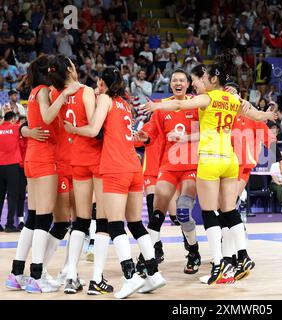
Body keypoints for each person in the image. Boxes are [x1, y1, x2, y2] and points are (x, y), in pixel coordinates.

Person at [143, 53, 277, 284]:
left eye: (204, 77)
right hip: (230, 160)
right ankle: (242, 256)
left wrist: (156, 105)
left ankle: (218, 264)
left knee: (209, 213)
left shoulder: (209, 99)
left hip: (210, 159)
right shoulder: (233, 100)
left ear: (214, 80)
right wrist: (268, 114)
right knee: (229, 210)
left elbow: (179, 103)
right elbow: (255, 115)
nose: (201, 80)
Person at [64, 66, 166, 299]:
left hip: (115, 168)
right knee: (136, 223)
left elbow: (92, 130)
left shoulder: (106, 100)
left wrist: (72, 128)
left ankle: (130, 277)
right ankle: (153, 273)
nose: (97, 87)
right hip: (133, 166)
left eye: (99, 83)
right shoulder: (125, 103)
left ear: (103, 83)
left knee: (114, 224)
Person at [5, 55, 74, 294]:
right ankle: (36, 275)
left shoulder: (34, 91)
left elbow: (31, 123)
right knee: (44, 218)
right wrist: (64, 95)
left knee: (33, 218)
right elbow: (46, 117)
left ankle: (16, 273)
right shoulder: (44, 90)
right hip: (45, 158)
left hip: (32, 158)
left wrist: (26, 130)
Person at [47, 54, 109, 295]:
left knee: (79, 221)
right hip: (93, 157)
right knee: (100, 220)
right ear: (71, 69)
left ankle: (71, 275)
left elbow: (48, 118)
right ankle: (96, 279)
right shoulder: (86, 91)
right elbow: (95, 128)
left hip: (71, 159)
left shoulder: (55, 94)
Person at [135, 69, 202, 274]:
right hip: (168, 166)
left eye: (182, 80)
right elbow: (151, 134)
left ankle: (193, 252)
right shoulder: (162, 108)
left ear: (188, 84)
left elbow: (205, 132)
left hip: (190, 166)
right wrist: (143, 137)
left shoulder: (197, 104)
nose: (178, 83)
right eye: (175, 80)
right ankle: (147, 257)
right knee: (157, 214)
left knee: (182, 211)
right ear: (170, 85)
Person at [0, 111, 21, 232]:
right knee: (12, 196)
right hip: (12, 165)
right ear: (13, 119)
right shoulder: (15, 128)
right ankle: (9, 224)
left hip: (0, 165)